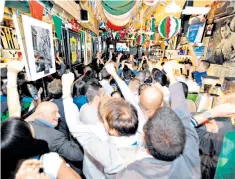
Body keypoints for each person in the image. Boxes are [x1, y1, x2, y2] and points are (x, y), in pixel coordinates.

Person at [115, 62, 201, 179]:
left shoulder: (132, 169)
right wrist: (171, 76)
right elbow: (182, 113)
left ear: (145, 137)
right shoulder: (190, 158)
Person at [62, 73, 146, 179]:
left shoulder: (108, 152)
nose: (101, 122)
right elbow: (131, 100)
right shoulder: (142, 133)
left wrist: (66, 90)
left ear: (112, 130)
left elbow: (74, 125)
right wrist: (115, 75)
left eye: (105, 120)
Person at [29, 102, 84, 174]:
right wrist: (73, 130)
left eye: (58, 112)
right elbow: (77, 155)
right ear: (42, 114)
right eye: (54, 112)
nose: (58, 115)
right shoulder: (55, 135)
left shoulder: (27, 125)